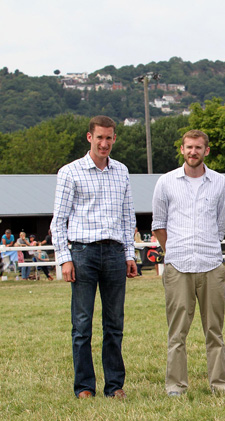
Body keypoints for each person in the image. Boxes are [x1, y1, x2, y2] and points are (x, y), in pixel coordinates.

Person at [50, 115, 137, 399]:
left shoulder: (122, 171)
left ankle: (115, 385)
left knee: (114, 323)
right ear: (90, 137)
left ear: (114, 138)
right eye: (99, 137)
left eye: (109, 137)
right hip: (83, 252)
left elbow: (127, 217)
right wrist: (65, 258)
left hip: (113, 252)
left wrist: (129, 254)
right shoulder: (70, 172)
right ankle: (85, 386)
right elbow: (58, 220)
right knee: (82, 324)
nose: (104, 143)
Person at [152, 129, 225, 396]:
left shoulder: (219, 182)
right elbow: (158, 225)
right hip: (178, 266)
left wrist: (204, 246)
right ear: (182, 150)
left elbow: (221, 225)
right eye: (188, 147)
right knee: (177, 333)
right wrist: (175, 249)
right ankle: (176, 386)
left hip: (211, 263)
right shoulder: (166, 182)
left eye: (198, 147)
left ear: (206, 150)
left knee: (215, 332)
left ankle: (220, 385)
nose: (193, 152)